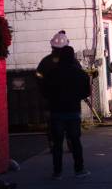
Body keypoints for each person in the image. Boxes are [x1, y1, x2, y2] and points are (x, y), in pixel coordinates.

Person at [42, 46, 91, 180]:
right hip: (73, 111)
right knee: (75, 142)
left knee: (57, 144)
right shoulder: (79, 73)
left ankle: (57, 172)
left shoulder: (52, 73)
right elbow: (86, 92)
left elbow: (45, 91)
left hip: (56, 112)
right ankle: (79, 170)